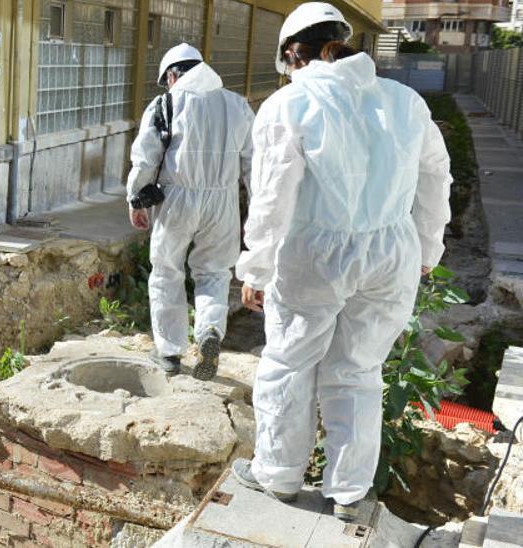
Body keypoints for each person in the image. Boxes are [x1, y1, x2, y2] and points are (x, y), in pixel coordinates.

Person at [229, 2, 452, 522]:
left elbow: (271, 199)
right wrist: (427, 247)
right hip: (391, 253)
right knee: (358, 371)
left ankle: (278, 476)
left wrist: (255, 268)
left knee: (289, 362)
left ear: (292, 54)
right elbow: (437, 177)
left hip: (315, 257)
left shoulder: (289, 104)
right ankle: (349, 495)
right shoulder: (404, 100)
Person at [126, 42, 255, 380]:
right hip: (223, 201)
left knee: (167, 270)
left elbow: (145, 157)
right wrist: (255, 212)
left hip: (176, 199)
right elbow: (254, 164)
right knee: (214, 272)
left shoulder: (165, 103)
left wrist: (134, 198)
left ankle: (169, 352)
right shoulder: (237, 105)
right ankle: (210, 330)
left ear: (172, 75)